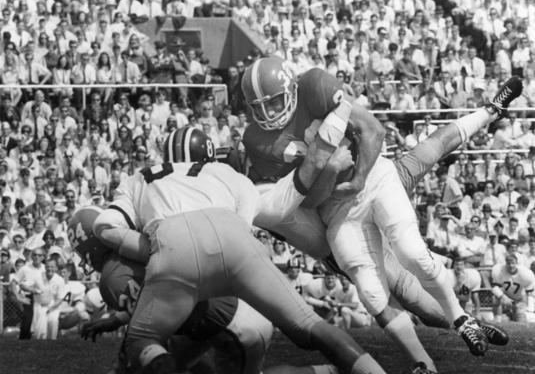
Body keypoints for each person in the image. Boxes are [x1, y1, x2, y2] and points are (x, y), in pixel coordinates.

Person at [241, 57, 515, 363]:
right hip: (340, 214)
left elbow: (372, 130)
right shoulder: (260, 178)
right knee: (400, 295)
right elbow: (309, 197)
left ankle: (490, 110)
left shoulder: (313, 87)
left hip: (375, 174)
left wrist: (355, 177)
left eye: (275, 103)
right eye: (260, 107)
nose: (269, 114)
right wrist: (330, 168)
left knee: (434, 149)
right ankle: (441, 343)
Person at [93, 127, 386, 373]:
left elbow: (104, 227)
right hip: (234, 239)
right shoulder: (225, 172)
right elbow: (243, 226)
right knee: (310, 325)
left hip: (173, 244)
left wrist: (143, 247)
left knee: (141, 341)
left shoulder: (139, 178)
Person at [492, 254, 535, 323]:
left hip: (519, 300)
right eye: (508, 263)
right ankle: (498, 318)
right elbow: (494, 288)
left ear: (517, 263)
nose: (511, 265)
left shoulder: (526, 274)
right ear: (505, 263)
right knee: (496, 297)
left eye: (513, 263)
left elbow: (529, 293)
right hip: (505, 301)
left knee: (521, 322)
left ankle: (516, 315)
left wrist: (527, 308)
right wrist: (504, 297)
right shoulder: (500, 271)